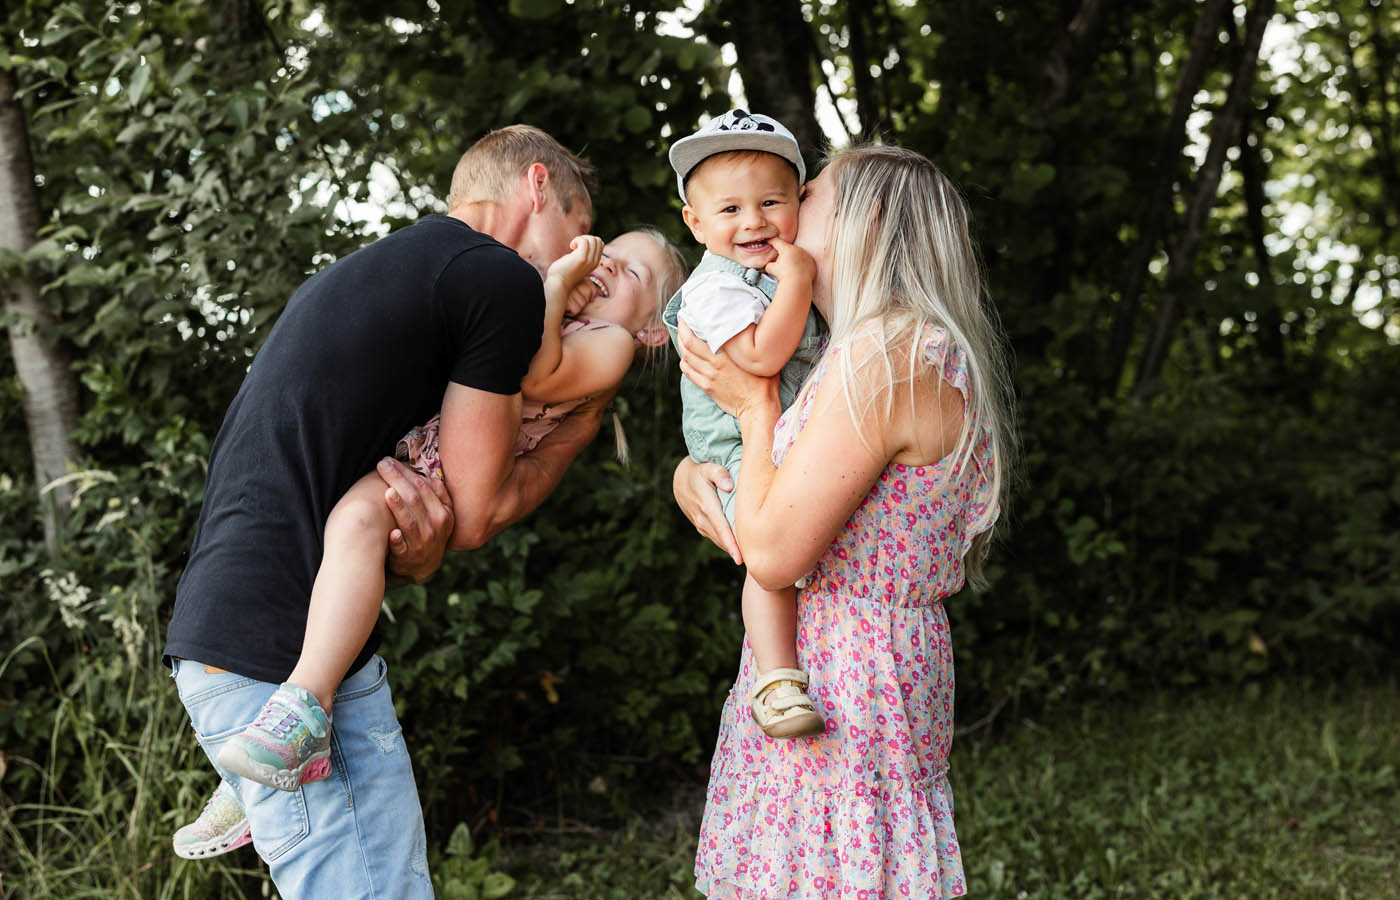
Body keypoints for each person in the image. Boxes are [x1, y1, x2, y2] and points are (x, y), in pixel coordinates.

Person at [163, 125, 602, 895]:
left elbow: (372, 499)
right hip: (281, 661)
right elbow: (475, 514)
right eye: (580, 229)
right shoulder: (498, 278)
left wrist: (413, 553)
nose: (584, 262)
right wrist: (577, 431)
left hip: (231, 636)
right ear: (538, 187)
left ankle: (242, 786)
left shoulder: (383, 271)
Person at [673, 144, 1015, 899]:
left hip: (855, 671)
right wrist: (691, 469)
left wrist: (753, 406)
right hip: (834, 652)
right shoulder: (859, 349)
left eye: (807, 196)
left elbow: (772, 554)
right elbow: (783, 491)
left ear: (869, 220)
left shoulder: (890, 357)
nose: (783, 213)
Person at [664, 108, 828, 739]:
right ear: (695, 222)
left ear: (799, 203)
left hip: (783, 433)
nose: (754, 221)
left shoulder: (777, 273)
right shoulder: (716, 288)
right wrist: (799, 279)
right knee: (769, 557)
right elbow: (760, 357)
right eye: (730, 209)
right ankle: (777, 679)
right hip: (735, 444)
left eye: (770, 202)